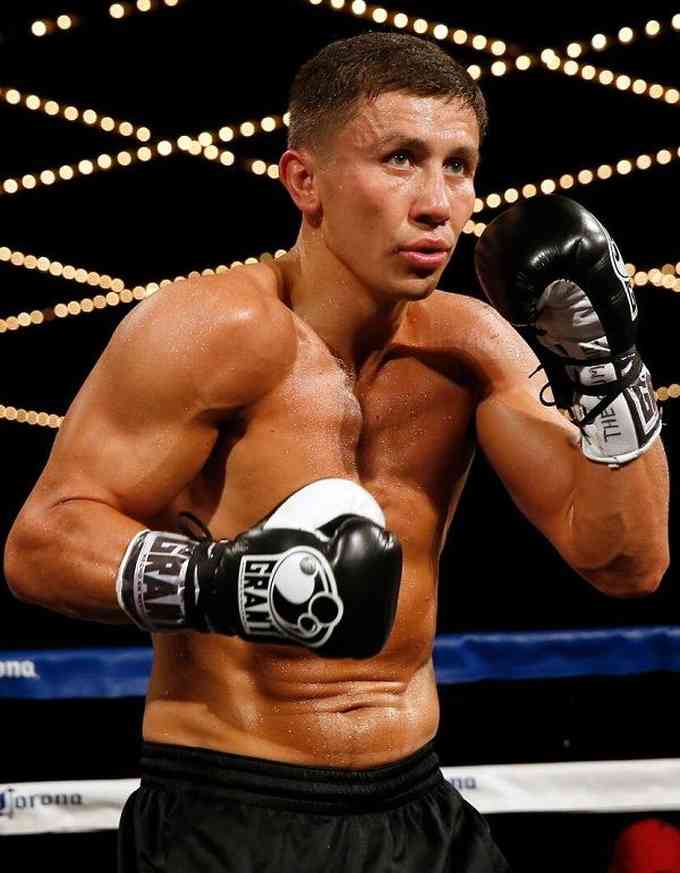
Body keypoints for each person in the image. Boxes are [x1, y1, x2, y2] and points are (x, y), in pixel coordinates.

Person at [3, 31, 669, 873]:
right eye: (401, 159)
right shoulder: (213, 330)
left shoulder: (471, 347)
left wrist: (611, 373)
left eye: (459, 166)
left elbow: (628, 561)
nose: (438, 203)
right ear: (303, 181)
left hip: (417, 806)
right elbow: (42, 544)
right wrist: (231, 584)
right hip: (230, 812)